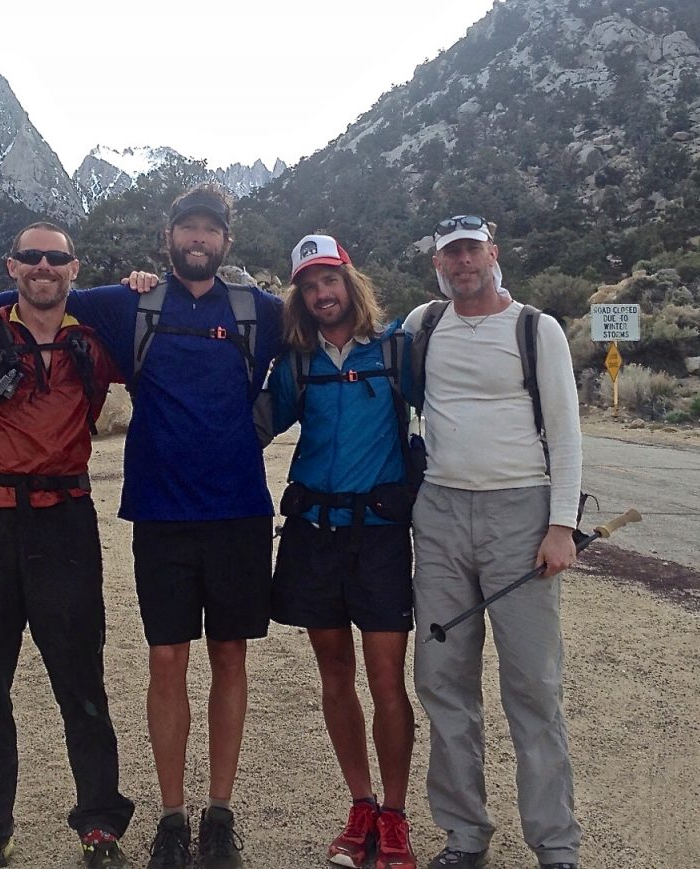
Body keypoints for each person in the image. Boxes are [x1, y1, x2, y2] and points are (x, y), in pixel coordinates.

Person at [0, 187, 285, 869]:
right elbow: (38, 304)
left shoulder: (252, 310)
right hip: (147, 516)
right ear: (169, 234)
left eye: (211, 229)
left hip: (217, 513)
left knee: (183, 664)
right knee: (145, 663)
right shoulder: (128, 306)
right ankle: (150, 821)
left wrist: (264, 421)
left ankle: (184, 819)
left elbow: (326, 326)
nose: (199, 238)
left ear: (226, 241)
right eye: (188, 227)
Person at [0, 222, 135, 869]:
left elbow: (155, 351)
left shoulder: (94, 343)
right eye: (32, 257)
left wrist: (137, 290)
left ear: (75, 268)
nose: (44, 267)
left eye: (57, 258)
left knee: (82, 677)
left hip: (65, 519)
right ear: (12, 266)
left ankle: (100, 824)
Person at [403, 215, 583, 869]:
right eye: (449, 255)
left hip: (522, 515)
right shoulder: (422, 327)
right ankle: (464, 833)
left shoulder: (537, 330)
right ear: (437, 265)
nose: (461, 264)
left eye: (471, 251)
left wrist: (561, 524)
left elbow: (565, 432)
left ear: (492, 253)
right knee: (442, 677)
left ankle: (555, 842)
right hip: (442, 515)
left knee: (533, 684)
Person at [266, 235, 418, 869]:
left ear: (349, 282)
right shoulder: (298, 363)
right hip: (314, 536)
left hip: (378, 539)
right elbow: (249, 426)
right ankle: (360, 806)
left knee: (386, 680)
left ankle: (395, 815)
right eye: (308, 285)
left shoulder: (398, 351)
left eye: (329, 280)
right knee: (335, 679)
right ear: (299, 296)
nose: (321, 294)